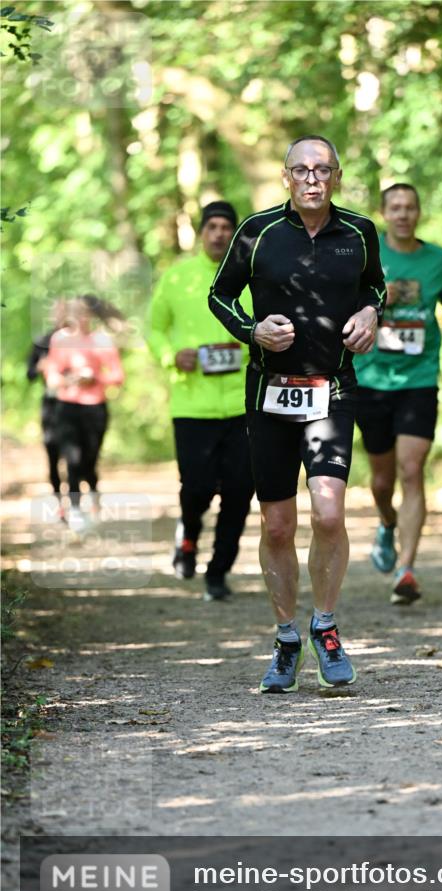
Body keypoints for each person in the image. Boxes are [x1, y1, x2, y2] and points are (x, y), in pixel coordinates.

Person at [209, 135, 385, 692]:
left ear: (336, 176)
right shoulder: (256, 233)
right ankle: (286, 636)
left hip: (332, 389)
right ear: (286, 177)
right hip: (269, 392)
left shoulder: (359, 232)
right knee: (278, 524)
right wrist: (251, 330)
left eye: (323, 170)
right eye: (302, 170)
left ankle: (325, 627)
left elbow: (375, 286)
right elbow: (220, 297)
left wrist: (370, 313)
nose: (312, 179)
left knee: (329, 514)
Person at [355, 183, 442, 604]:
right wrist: (377, 298)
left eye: (410, 207)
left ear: (419, 213)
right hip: (372, 378)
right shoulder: (365, 253)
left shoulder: (438, 259)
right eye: (395, 208)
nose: (403, 214)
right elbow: (339, 301)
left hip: (419, 379)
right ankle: (386, 522)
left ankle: (406, 569)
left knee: (412, 470)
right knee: (381, 479)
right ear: (384, 212)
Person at [147, 201, 255, 601]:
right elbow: (155, 329)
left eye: (227, 226)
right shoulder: (176, 278)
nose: (219, 233)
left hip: (242, 403)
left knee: (240, 491)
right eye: (212, 226)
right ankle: (188, 534)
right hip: (192, 405)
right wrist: (170, 356)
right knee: (196, 487)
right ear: (201, 231)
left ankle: (218, 570)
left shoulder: (251, 278)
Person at [43, 295, 125, 533]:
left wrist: (95, 377)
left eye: (84, 312)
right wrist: (68, 379)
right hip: (67, 406)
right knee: (72, 458)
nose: (80, 316)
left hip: (95, 407)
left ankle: (95, 493)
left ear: (91, 315)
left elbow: (117, 376)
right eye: (74, 312)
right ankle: (76, 509)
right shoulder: (59, 340)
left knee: (89, 460)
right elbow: (52, 374)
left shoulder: (102, 340)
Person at [27, 306, 66, 520]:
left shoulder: (77, 341)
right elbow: (29, 373)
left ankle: (76, 503)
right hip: (51, 404)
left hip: (75, 404)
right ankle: (59, 502)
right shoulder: (42, 341)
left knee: (74, 457)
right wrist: (41, 367)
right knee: (52, 453)